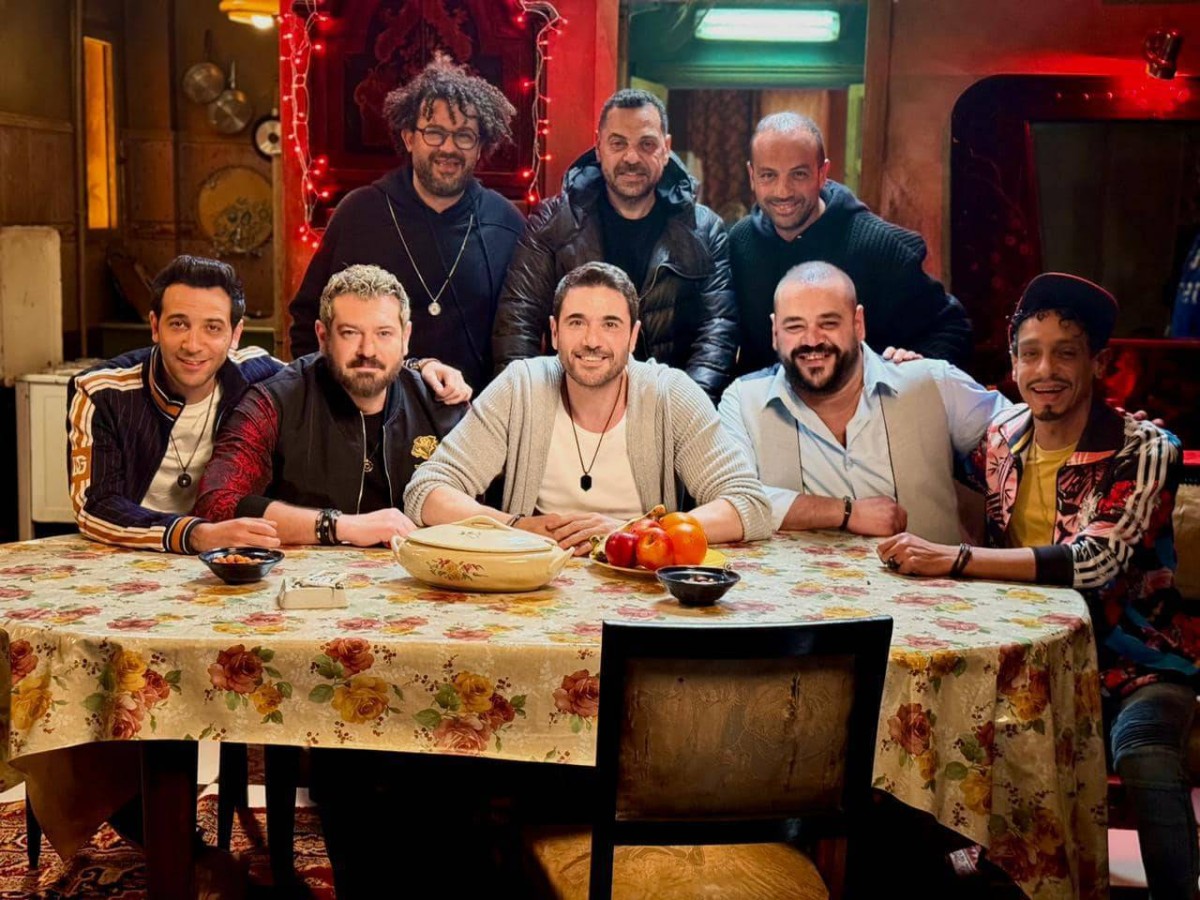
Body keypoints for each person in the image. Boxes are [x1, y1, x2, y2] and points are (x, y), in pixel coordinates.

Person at [879, 273, 1199, 899]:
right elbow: (949, 435)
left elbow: (1095, 562)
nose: (1045, 370)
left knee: (1144, 750)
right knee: (923, 729)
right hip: (1028, 660)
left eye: (1065, 353)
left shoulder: (1146, 447)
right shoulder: (1002, 438)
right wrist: (917, 374)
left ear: (1098, 362)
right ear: (1014, 362)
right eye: (1030, 353)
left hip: (1134, 661)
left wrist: (955, 558)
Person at [408, 261, 771, 550]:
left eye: (610, 324)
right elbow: (426, 491)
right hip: (534, 588)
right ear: (554, 332)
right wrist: (516, 527)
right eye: (576, 322)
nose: (592, 340)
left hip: (641, 588)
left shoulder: (670, 394)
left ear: (633, 336)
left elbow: (749, 505)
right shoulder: (521, 387)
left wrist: (637, 532)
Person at [719, 261, 1007, 542]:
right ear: (775, 332)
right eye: (794, 326)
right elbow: (730, 499)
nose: (812, 339)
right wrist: (844, 512)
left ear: (858, 324)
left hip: (938, 575)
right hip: (796, 577)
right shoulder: (744, 401)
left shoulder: (931, 381)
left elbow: (1021, 439)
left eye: (828, 323)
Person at [286, 55, 526, 391]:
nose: (448, 148)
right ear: (409, 138)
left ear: (480, 147)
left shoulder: (507, 224)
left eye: (464, 136)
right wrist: (327, 402)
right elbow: (309, 321)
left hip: (474, 413)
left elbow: (522, 334)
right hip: (369, 412)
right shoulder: (358, 214)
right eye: (435, 133)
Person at [492, 88, 738, 403]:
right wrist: (534, 408)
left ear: (666, 148)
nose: (631, 158)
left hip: (668, 404)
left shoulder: (704, 230)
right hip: (572, 405)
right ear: (599, 147)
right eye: (618, 143)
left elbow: (718, 331)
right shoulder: (552, 223)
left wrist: (685, 409)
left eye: (646, 144)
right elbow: (517, 322)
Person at [195, 264, 468, 546]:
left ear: (405, 337)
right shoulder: (273, 403)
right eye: (350, 333)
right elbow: (216, 504)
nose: (367, 350)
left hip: (422, 570)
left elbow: (484, 508)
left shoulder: (442, 403)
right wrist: (335, 526)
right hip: (302, 573)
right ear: (323, 337)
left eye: (384, 333)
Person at [67, 255, 283, 553]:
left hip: (235, 557)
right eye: (179, 324)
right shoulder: (102, 392)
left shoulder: (261, 375)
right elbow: (95, 507)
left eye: (212, 328)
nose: (193, 345)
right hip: (132, 557)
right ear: (155, 326)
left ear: (235, 335)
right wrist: (195, 534)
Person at [730, 112, 972, 375]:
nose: (783, 191)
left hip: (866, 399)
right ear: (752, 176)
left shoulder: (881, 247)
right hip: (763, 399)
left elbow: (952, 328)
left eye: (798, 174)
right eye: (768, 175)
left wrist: (918, 365)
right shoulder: (739, 242)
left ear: (822, 174)